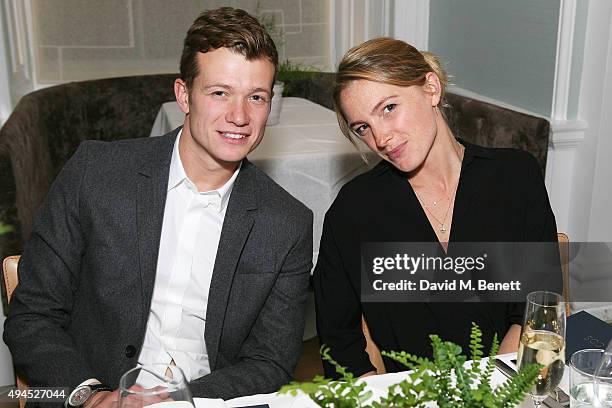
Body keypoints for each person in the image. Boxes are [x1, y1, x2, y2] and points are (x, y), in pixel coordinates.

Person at [4, 7, 313, 406]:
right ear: (184, 95)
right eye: (220, 93)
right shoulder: (96, 174)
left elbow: (270, 363)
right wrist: (90, 395)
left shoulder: (286, 222)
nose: (239, 116)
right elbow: (32, 316)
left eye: (256, 97)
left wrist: (174, 399)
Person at [313, 37, 560, 378]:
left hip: (502, 386)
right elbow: (339, 341)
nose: (381, 138)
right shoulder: (354, 210)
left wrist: (486, 393)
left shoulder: (515, 177)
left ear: (431, 87)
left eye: (388, 108)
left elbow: (535, 309)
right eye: (363, 128)